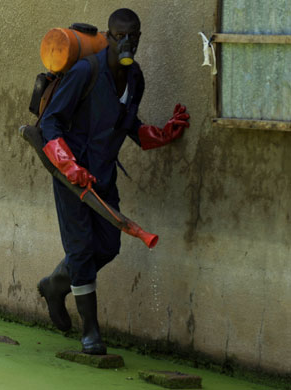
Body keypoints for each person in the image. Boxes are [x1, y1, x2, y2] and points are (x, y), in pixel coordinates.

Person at [37, 9, 190, 354]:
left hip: (103, 176)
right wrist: (68, 165)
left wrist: (162, 133)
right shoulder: (84, 72)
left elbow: (128, 124)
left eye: (133, 36)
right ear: (107, 36)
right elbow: (50, 124)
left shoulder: (135, 78)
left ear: (139, 38)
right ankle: (90, 333)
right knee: (80, 249)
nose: (127, 42)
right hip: (72, 177)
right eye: (120, 35)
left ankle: (54, 285)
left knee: (107, 246)